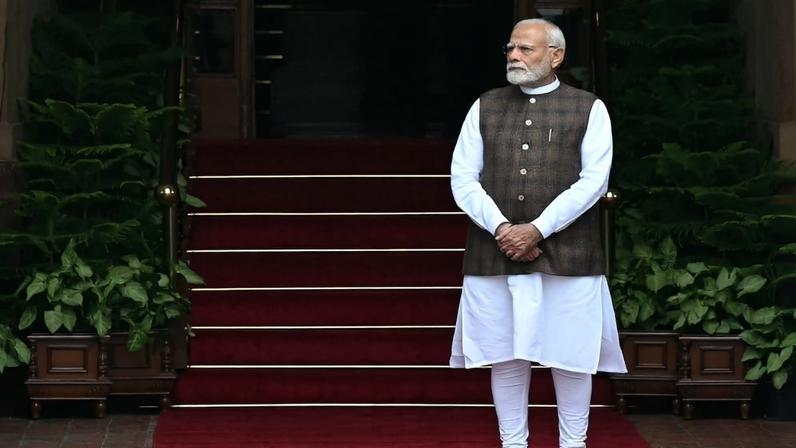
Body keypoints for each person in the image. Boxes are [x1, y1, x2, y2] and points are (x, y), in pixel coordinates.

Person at [449, 18, 627, 448]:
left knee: (572, 356)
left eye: (526, 49)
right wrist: (503, 228)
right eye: (510, 48)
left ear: (556, 56)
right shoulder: (485, 105)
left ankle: (574, 443)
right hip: (495, 251)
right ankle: (513, 443)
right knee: (505, 356)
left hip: (570, 255)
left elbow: (593, 182)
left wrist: (537, 229)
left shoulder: (589, 107)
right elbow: (463, 178)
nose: (514, 56)